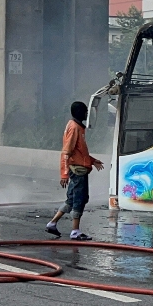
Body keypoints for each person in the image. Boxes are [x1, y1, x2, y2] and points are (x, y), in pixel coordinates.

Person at [46, 101, 105, 240]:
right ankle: (75, 230)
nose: (86, 114)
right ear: (80, 112)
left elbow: (80, 152)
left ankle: (52, 223)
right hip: (78, 171)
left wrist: (92, 160)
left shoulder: (76, 127)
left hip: (79, 168)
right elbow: (66, 152)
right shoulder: (74, 128)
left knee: (72, 199)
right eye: (85, 111)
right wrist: (64, 174)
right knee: (80, 198)